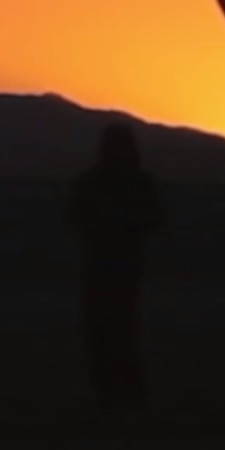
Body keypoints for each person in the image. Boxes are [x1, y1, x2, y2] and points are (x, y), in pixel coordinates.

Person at [65, 123, 164, 409]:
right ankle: (116, 389)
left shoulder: (94, 183)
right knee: (112, 330)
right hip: (111, 266)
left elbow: (73, 218)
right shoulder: (135, 183)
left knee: (116, 330)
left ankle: (119, 389)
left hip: (114, 267)